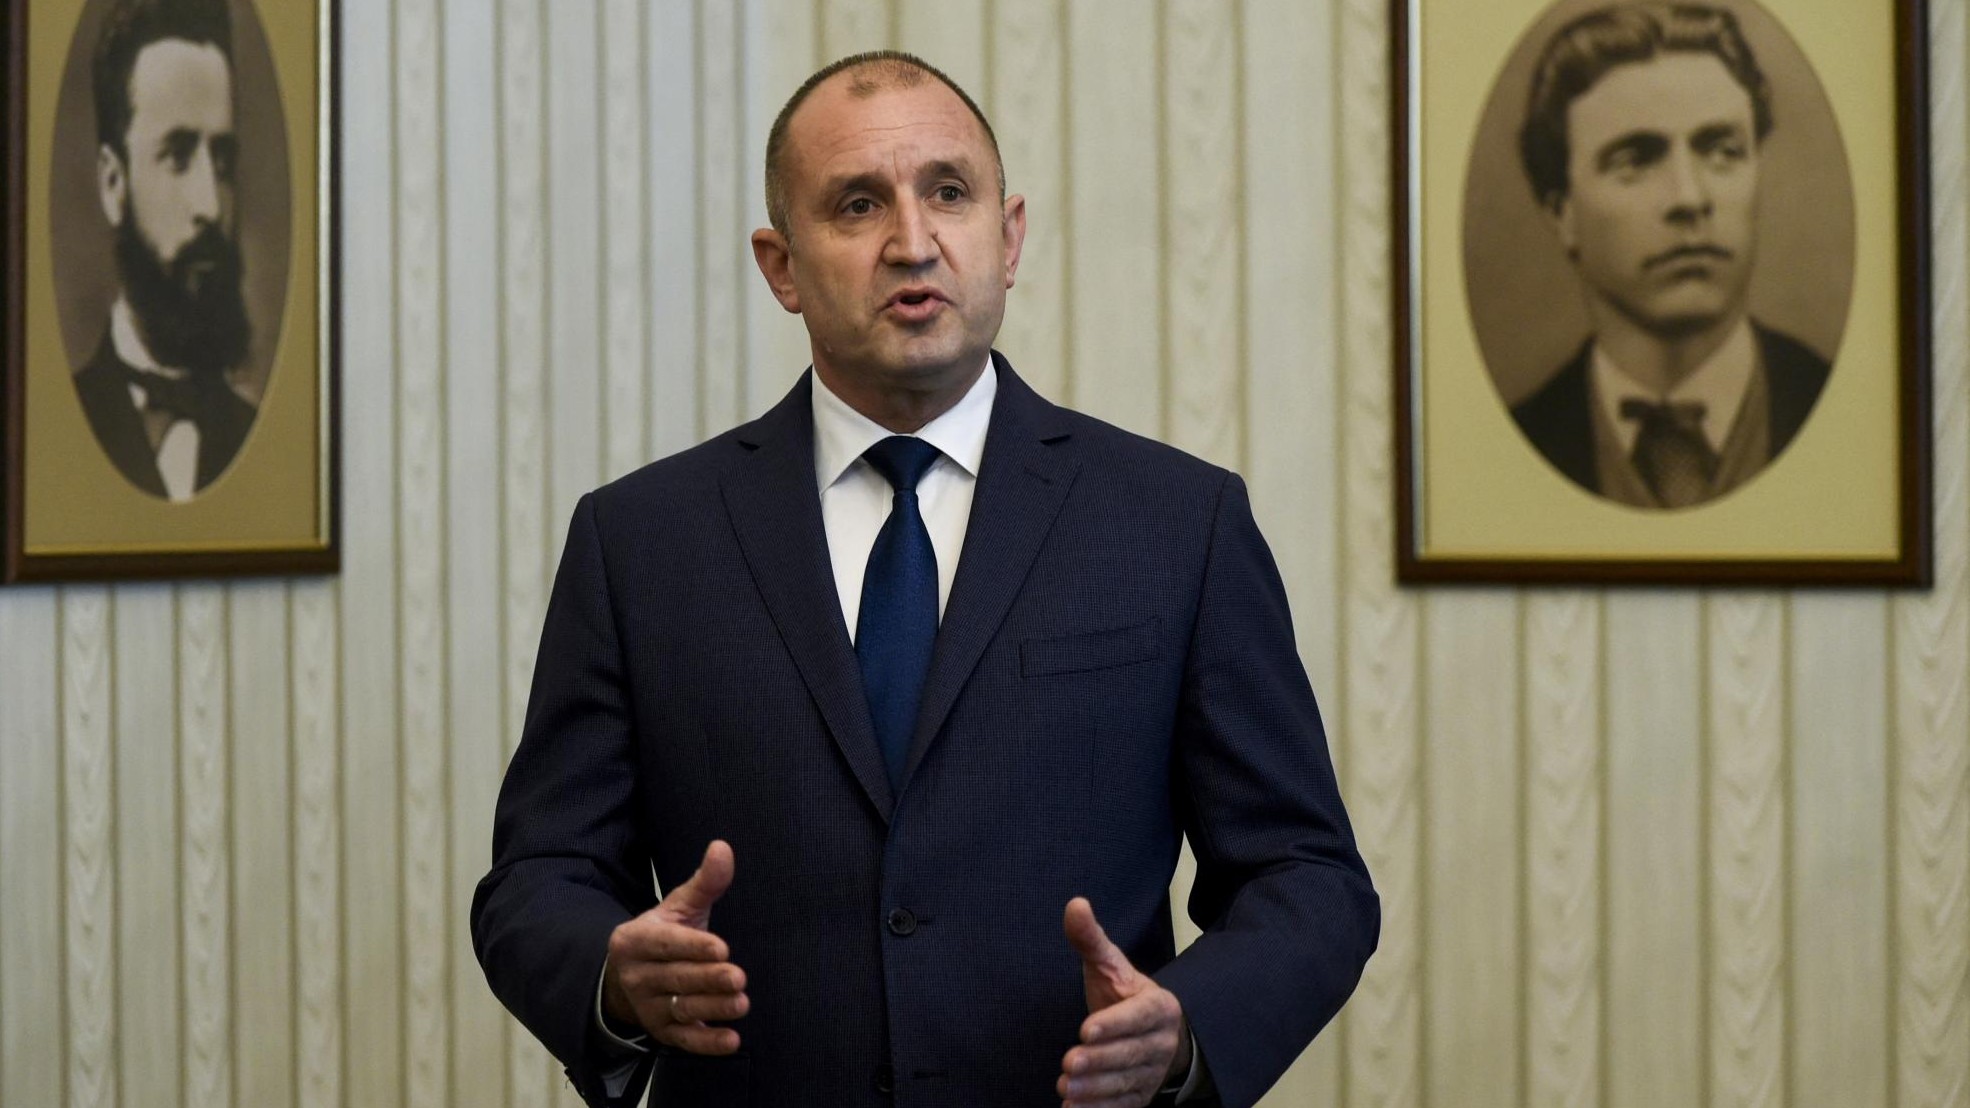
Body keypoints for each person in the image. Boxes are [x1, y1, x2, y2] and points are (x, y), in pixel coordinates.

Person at [472, 50, 1377, 1108]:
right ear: (781, 266)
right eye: (857, 204)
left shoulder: (1178, 522)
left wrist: (1187, 1029)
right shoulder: (640, 540)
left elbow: (1304, 874)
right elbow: (539, 878)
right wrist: (614, 981)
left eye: (948, 192)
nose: (912, 241)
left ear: (1008, 236)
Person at [1510, 2, 1831, 510]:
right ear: (1561, 212)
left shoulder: (1844, 410)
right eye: (1635, 159)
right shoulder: (1516, 442)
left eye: (1722, 151)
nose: (1689, 197)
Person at [72, 0, 257, 502]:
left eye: (222, 161)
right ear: (113, 183)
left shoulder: (260, 440)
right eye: (177, 156)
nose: (210, 205)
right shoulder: (55, 425)